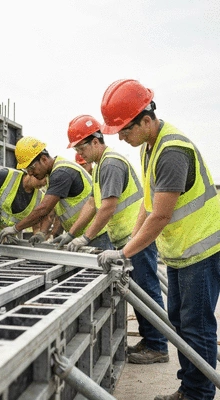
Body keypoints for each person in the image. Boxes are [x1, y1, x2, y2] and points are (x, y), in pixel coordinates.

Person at [98, 79, 220, 400]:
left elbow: (161, 216)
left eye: (125, 130)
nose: (122, 138)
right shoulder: (150, 147)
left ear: (146, 120)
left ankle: (198, 394)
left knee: (197, 327)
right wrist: (129, 247)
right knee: (181, 322)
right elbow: (147, 206)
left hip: (202, 251)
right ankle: (191, 387)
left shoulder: (171, 151)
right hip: (183, 251)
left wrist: (125, 251)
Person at [57, 115, 168, 365]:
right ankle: (151, 340)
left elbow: (106, 208)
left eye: (82, 147)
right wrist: (71, 234)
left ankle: (158, 346)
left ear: (96, 141)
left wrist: (85, 237)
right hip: (128, 239)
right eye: (77, 149)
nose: (80, 153)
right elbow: (91, 203)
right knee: (139, 292)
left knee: (146, 292)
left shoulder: (111, 164)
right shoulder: (101, 167)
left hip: (136, 238)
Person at [0, 136, 110, 248]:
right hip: (83, 235)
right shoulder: (52, 174)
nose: (30, 173)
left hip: (96, 235)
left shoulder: (61, 173)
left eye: (32, 168)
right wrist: (43, 232)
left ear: (44, 159)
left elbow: (44, 208)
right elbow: (51, 211)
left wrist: (15, 228)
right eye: (27, 170)